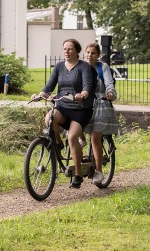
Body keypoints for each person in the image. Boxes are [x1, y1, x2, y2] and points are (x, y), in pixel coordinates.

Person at [32, 38, 97, 188]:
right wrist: (40, 95)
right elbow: (49, 85)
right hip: (63, 106)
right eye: (65, 49)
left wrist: (83, 94)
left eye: (70, 49)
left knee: (73, 137)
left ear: (77, 52)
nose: (66, 52)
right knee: (49, 118)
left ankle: (78, 175)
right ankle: (58, 144)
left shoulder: (84, 67)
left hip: (81, 109)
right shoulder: (59, 67)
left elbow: (87, 85)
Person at [83, 42, 119, 186]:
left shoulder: (102, 67)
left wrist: (110, 93)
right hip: (86, 105)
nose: (89, 55)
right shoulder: (81, 67)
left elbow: (109, 83)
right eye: (88, 52)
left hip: (101, 104)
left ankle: (98, 170)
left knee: (95, 136)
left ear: (98, 55)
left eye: (93, 53)